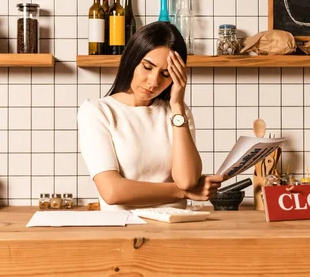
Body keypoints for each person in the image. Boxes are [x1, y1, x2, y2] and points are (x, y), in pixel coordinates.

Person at [78, 21, 225, 210]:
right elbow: (112, 192)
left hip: (174, 229)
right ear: (131, 60)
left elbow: (187, 180)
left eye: (165, 74)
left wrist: (177, 104)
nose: (153, 82)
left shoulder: (177, 113)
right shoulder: (98, 111)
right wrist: (181, 192)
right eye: (147, 67)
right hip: (123, 230)